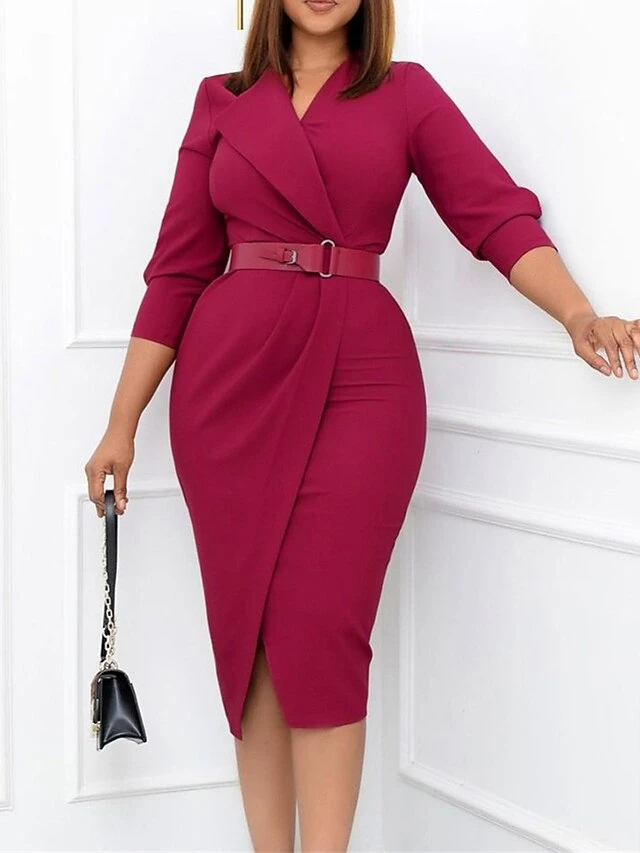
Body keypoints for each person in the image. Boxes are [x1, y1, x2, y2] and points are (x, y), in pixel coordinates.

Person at [84, 0, 640, 850]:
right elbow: (178, 270)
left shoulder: (405, 93)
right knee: (252, 638)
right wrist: (121, 421)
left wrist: (577, 313)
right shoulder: (220, 100)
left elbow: (492, 214)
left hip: (362, 383)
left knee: (320, 633)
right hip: (228, 392)